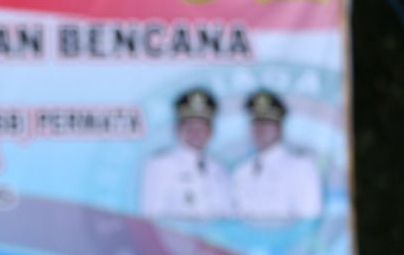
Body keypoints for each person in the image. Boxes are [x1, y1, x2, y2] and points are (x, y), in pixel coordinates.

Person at [138, 87, 232, 219]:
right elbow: (153, 218)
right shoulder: (161, 166)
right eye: (190, 126)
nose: (196, 133)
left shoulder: (219, 169)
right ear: (178, 128)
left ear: (211, 131)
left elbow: (227, 217)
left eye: (202, 127)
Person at [231, 89, 323, 219]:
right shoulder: (241, 171)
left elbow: (308, 220)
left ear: (279, 129)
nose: (260, 129)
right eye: (256, 123)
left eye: (267, 123)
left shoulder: (300, 168)